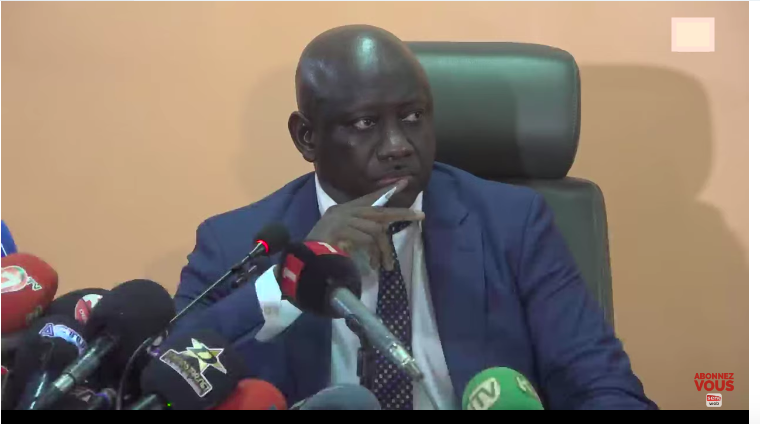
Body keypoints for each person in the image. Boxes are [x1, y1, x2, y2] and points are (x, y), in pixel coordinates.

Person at [174, 25, 656, 410]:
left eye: (413, 117)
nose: (398, 145)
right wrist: (290, 276)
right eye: (365, 123)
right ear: (307, 138)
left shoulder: (512, 224)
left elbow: (602, 384)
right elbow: (167, 376)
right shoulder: (235, 242)